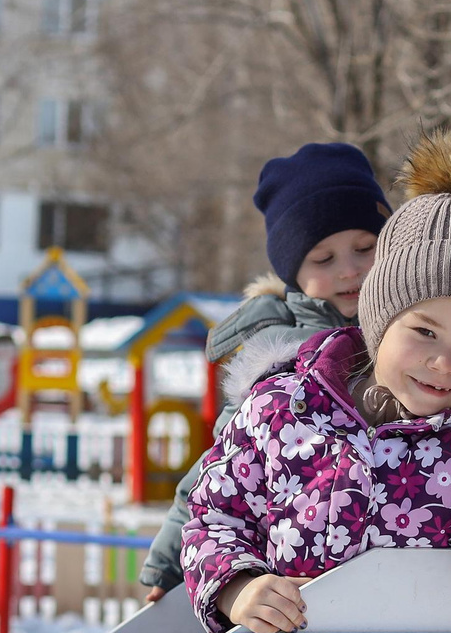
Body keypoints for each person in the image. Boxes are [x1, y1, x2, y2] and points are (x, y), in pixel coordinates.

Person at [179, 129, 451, 633]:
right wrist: (236, 587)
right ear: (378, 318)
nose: (445, 363)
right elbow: (215, 517)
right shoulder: (284, 408)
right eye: (424, 332)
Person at [143, 142, 392, 602]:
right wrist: (168, 560)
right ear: (293, 271)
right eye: (324, 259)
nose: (350, 270)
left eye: (364, 247)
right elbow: (219, 467)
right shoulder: (277, 355)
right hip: (291, 572)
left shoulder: (415, 331)